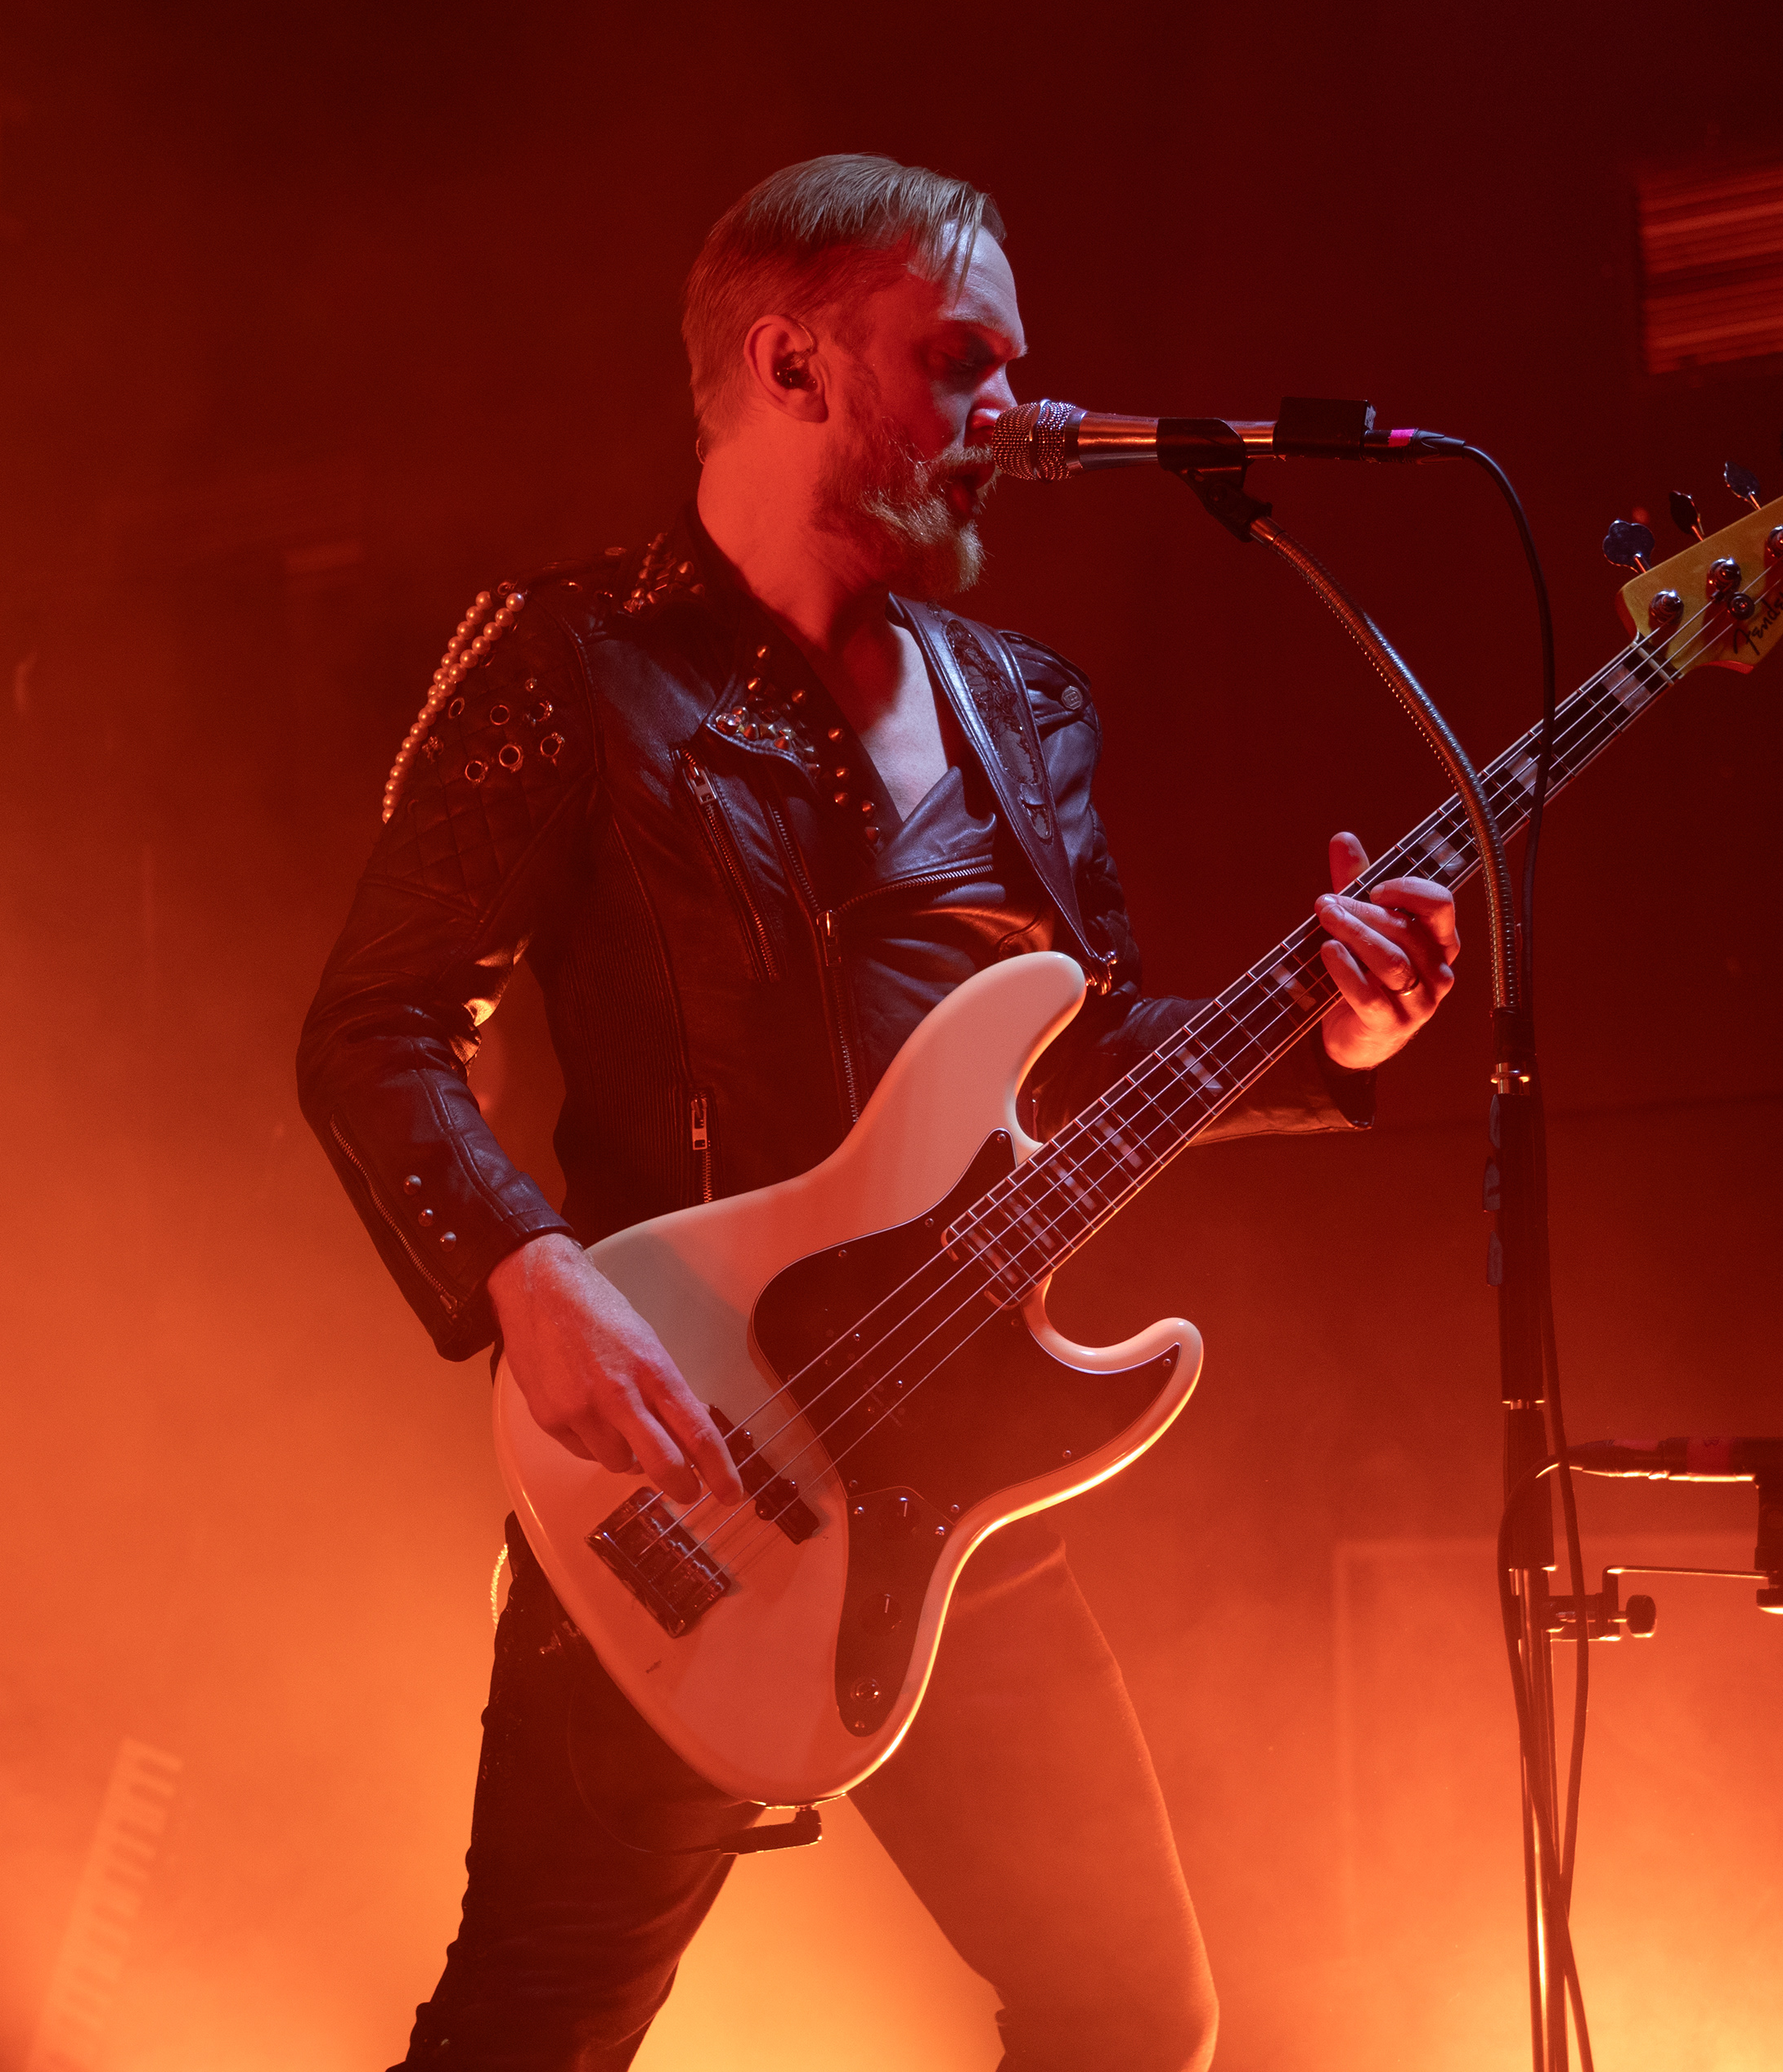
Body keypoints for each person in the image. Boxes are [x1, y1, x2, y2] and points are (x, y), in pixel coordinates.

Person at [297, 154, 1459, 2072]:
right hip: (682, 1475)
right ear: (792, 365)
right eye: (963, 360)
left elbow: (1073, 1065)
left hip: (956, 1488)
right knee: (530, 2035)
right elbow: (376, 1029)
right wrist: (530, 1272)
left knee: (1132, 2020)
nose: (1016, 410)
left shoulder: (1027, 706)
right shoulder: (575, 663)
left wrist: (1327, 1036)